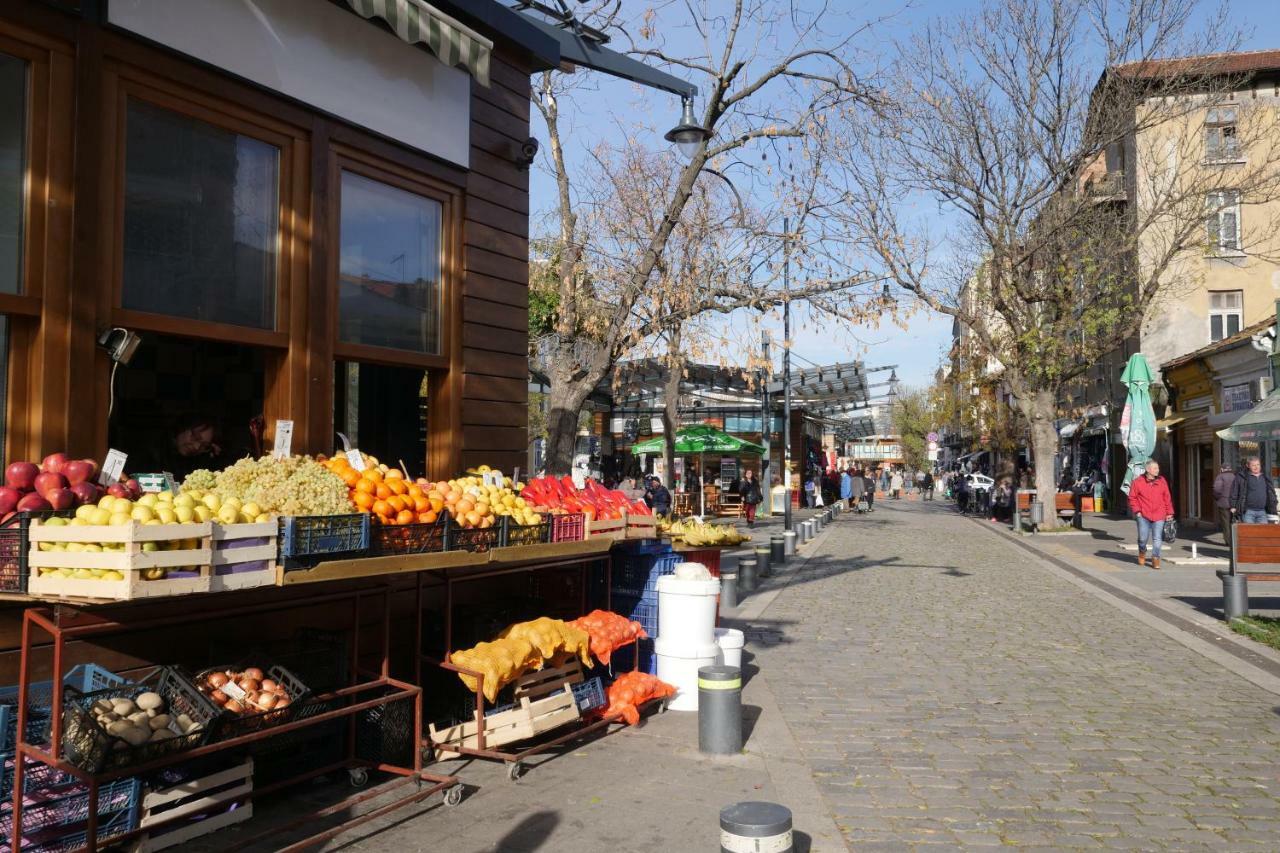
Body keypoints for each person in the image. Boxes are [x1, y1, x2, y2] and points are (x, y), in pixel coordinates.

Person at [1129, 459, 1175, 569]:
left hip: (1159, 514)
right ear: (1148, 470)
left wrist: (1169, 512)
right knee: (1142, 538)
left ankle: (1156, 558)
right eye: (1155, 468)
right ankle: (1142, 551)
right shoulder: (1138, 482)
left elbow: (1167, 498)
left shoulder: (1162, 481)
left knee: (1157, 538)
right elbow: (1132, 498)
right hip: (1143, 515)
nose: (1158, 470)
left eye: (1158, 468)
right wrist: (1137, 511)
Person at [1230, 455, 1277, 525]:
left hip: (1263, 512)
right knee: (1249, 534)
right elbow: (1235, 492)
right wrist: (1233, 506)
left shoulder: (1265, 477)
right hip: (1248, 512)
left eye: (1258, 464)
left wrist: (1273, 504)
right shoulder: (1242, 477)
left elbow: (1271, 492)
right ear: (1248, 465)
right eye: (1253, 465)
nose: (1256, 467)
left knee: (1263, 533)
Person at [1212, 462, 1236, 547]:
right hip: (1234, 503)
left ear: (1222, 469)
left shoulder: (1220, 476)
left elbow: (1216, 489)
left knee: (1225, 523)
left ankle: (1229, 542)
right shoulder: (1234, 476)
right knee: (1233, 522)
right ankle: (1235, 540)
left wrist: (1217, 498)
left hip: (1223, 503)